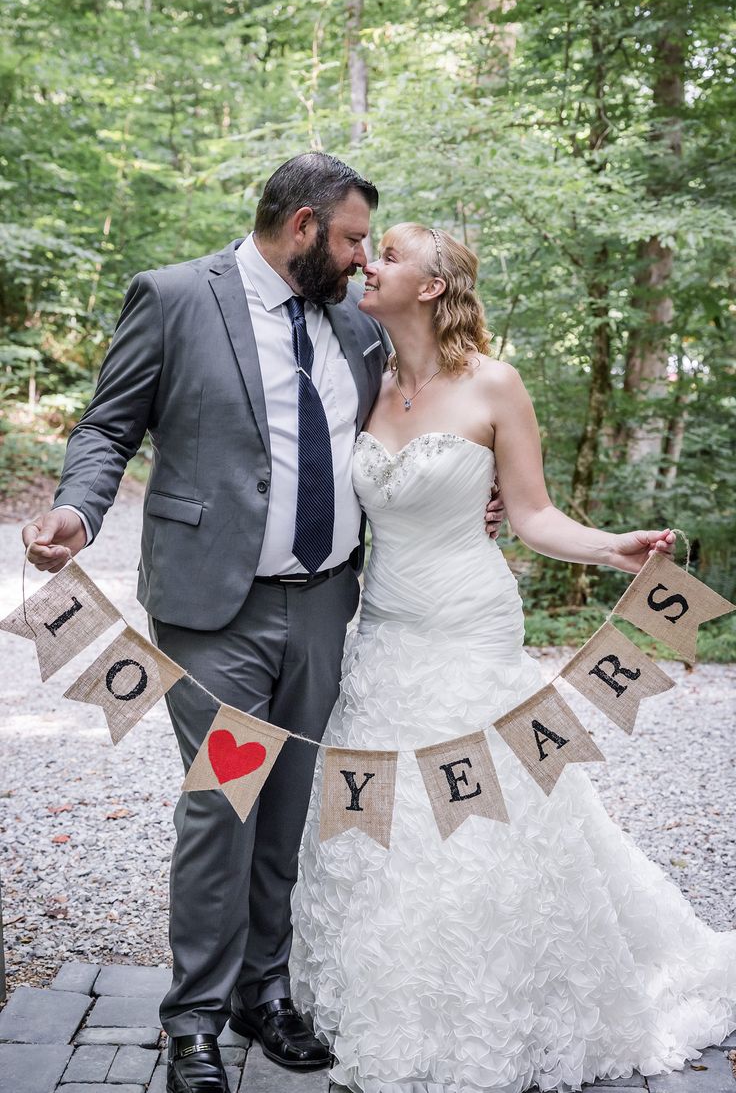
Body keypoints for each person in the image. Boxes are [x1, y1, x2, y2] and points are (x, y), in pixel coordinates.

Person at [20, 157, 505, 1093]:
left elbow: (420, 415)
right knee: (224, 801)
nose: (366, 260)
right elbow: (106, 428)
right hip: (216, 612)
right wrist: (78, 513)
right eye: (356, 238)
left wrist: (470, 496)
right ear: (302, 228)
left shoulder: (355, 324)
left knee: (288, 804)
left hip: (327, 604)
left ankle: (263, 992)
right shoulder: (174, 298)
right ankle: (194, 1020)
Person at [290, 222, 736, 1093]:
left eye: (389, 252)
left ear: (429, 286)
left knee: (487, 811)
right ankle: (392, 1000)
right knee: (380, 816)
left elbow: (531, 515)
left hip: (471, 629)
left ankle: (507, 1003)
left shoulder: (495, 384)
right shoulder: (363, 379)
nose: (367, 262)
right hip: (381, 636)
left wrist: (614, 547)